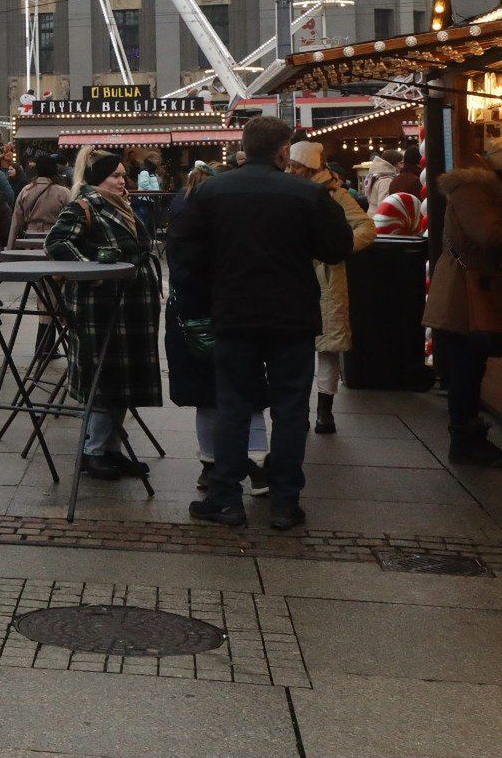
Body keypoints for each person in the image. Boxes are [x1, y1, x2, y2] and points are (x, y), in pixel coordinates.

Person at [174, 117, 354, 530]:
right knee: (291, 409)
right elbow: (337, 247)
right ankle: (285, 502)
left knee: (233, 406)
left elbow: (183, 252)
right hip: (292, 316)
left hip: (234, 313)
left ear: (244, 146)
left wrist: (215, 283)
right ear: (282, 151)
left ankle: (225, 498)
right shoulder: (307, 194)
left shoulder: (210, 192)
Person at [425, 136, 502, 467]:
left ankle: (469, 439)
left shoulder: (485, 191)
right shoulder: (473, 191)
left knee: (470, 367)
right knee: (466, 367)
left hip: (470, 288)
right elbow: (489, 235)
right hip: (463, 292)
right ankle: (465, 443)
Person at [43, 153, 160, 481]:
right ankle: (92, 452)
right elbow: (56, 242)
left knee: (122, 380)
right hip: (102, 306)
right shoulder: (85, 205)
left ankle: (111, 450)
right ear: (98, 178)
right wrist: (91, 271)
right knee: (104, 378)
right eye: (115, 176)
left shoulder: (121, 204)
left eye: (124, 175)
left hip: (130, 306)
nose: (122, 181)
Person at [164, 166, 271, 495]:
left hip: (192, 318)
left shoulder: (181, 214)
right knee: (248, 391)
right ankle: (257, 464)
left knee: (205, 397)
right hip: (233, 313)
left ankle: (210, 466)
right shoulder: (232, 219)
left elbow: (181, 272)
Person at [287, 141, 377, 436]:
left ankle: (324, 411)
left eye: (296, 166)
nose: (291, 170)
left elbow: (366, 227)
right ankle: (296, 409)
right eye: (290, 165)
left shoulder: (336, 195)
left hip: (326, 276)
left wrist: (341, 248)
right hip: (293, 274)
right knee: (295, 345)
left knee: (327, 348)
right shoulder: (286, 191)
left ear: (311, 168)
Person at [7, 153, 71, 244]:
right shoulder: (64, 192)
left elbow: (16, 222)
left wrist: (10, 247)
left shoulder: (26, 191)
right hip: (55, 239)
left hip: (30, 240)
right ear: (54, 171)